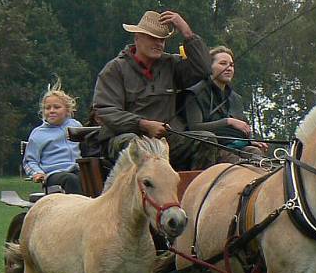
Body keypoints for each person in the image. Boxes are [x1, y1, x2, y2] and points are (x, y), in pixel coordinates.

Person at [92, 10, 217, 170]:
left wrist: (186, 32)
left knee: (206, 140)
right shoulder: (115, 69)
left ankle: (195, 192)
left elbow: (204, 69)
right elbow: (105, 111)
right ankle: (139, 193)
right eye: (153, 38)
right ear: (137, 38)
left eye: (162, 40)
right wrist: (143, 124)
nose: (159, 43)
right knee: (134, 144)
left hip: (165, 139)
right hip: (126, 138)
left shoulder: (171, 64)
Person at [184, 46, 266, 164]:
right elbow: (194, 128)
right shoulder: (195, 93)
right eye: (223, 63)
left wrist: (250, 141)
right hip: (209, 150)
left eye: (231, 65)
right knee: (238, 163)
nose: (229, 68)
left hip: (235, 146)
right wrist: (227, 121)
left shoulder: (236, 99)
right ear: (209, 67)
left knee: (257, 155)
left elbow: (244, 129)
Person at [23, 82, 83, 195]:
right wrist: (37, 173)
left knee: (94, 176)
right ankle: (77, 210)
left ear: (67, 110)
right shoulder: (38, 134)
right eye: (47, 108)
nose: (51, 111)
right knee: (70, 179)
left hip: (77, 169)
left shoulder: (75, 126)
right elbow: (30, 161)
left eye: (56, 107)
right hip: (53, 175)